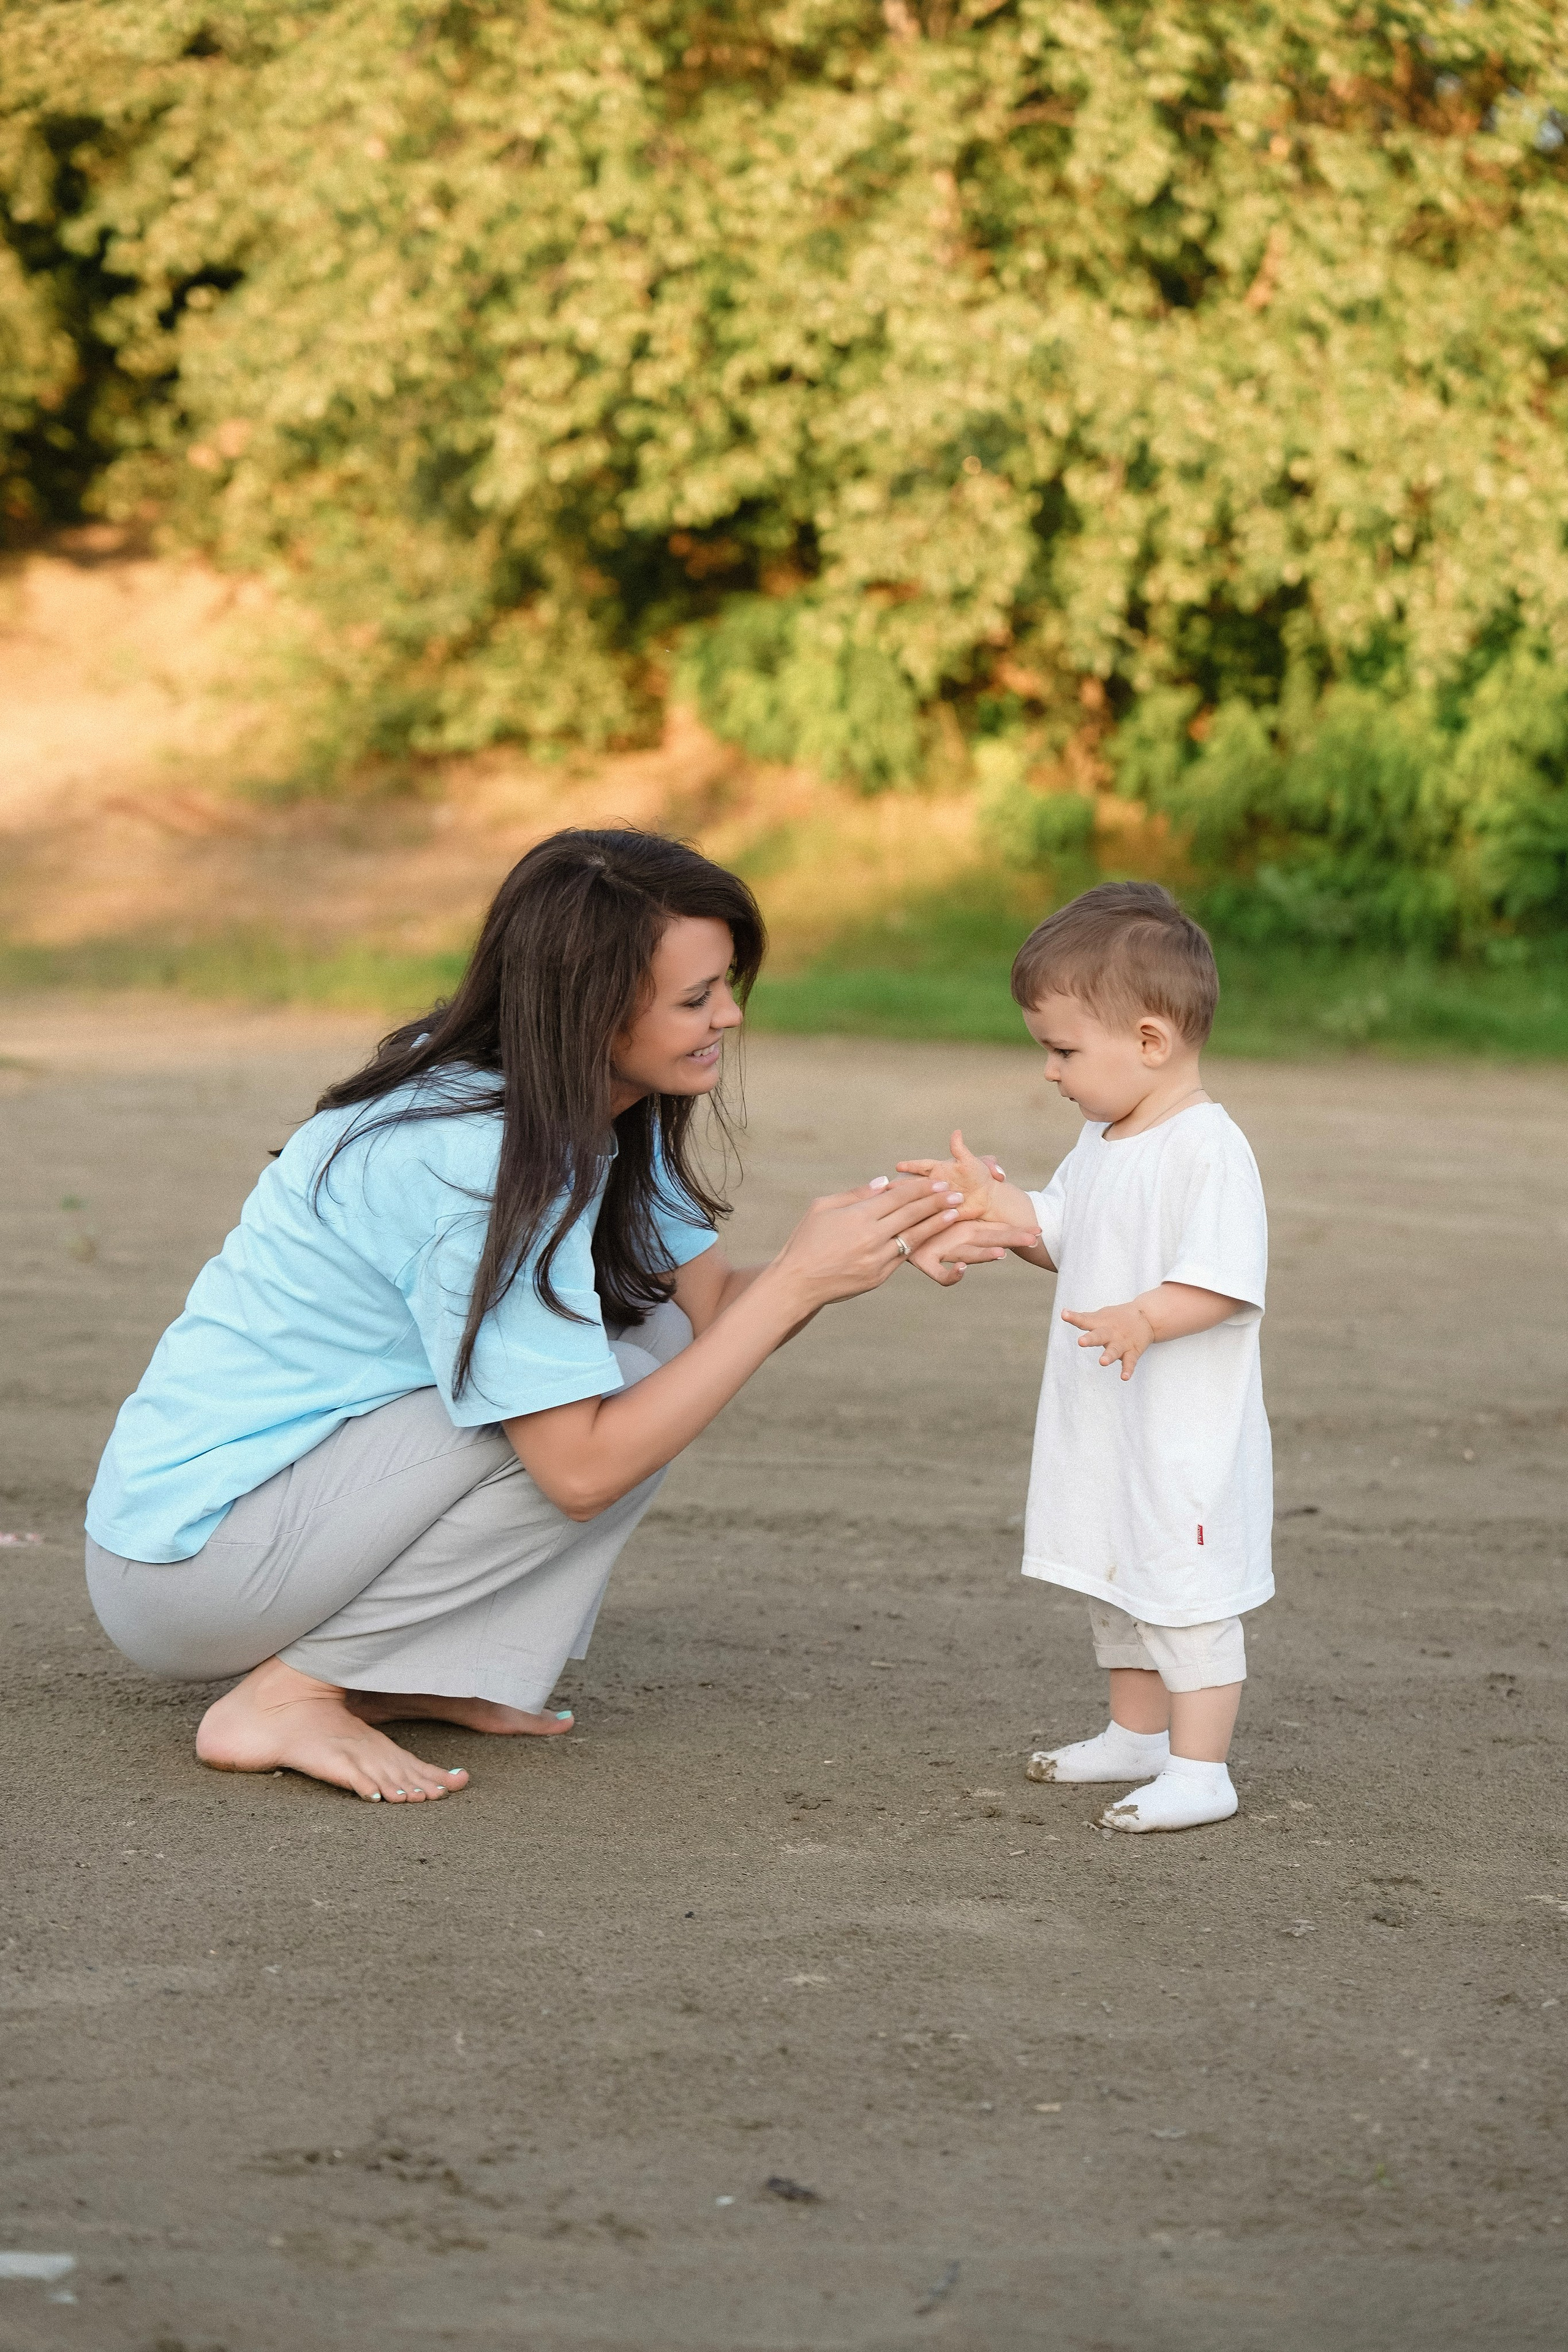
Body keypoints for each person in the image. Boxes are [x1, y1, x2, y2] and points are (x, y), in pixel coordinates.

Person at [85, 829, 1035, 1804]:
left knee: (652, 1344)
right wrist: (797, 1281)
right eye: (696, 999)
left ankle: (408, 1668)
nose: (731, 1015)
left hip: (302, 1505)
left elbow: (707, 1310)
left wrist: (880, 1238)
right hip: (194, 1562)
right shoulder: (475, 1156)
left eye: (727, 984)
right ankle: (287, 1697)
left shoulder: (589, 1099)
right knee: (609, 1400)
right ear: (592, 1009)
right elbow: (580, 1471)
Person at [898, 881, 1272, 1833]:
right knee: (1116, 1577)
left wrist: (1148, 1316)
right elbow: (1061, 1232)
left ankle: (1201, 1767)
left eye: (1063, 1050)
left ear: (1150, 1041)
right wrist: (993, 1204)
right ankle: (1137, 1736)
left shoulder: (1208, 1149)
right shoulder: (1102, 1141)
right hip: (1111, 1415)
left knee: (1184, 1596)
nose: (1053, 1072)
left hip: (1181, 1433)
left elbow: (1224, 1279)